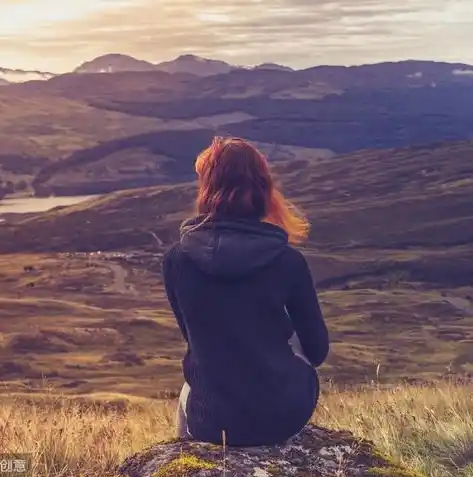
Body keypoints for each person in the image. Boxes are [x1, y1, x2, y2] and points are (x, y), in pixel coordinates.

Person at [162, 137, 329, 447]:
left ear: (207, 188)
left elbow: (195, 341)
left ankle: (188, 458)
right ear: (264, 190)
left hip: (210, 423)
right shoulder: (287, 260)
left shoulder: (176, 259)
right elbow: (317, 351)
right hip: (282, 416)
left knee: (193, 382)